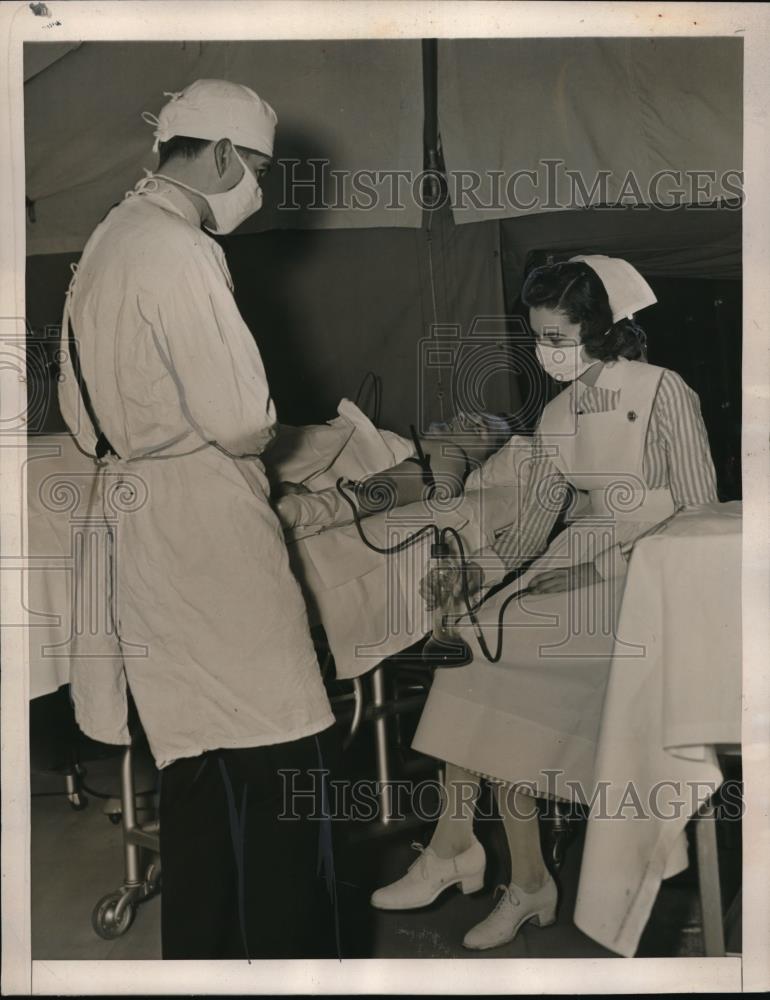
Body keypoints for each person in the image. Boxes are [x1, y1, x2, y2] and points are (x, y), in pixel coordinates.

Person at [58, 80, 342, 960]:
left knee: (193, 777)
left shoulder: (105, 239)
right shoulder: (180, 248)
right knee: (288, 769)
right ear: (220, 155)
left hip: (135, 515)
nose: (254, 188)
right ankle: (295, 973)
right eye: (255, 169)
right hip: (204, 521)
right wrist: (265, 437)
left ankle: (201, 967)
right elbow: (241, 418)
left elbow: (77, 412)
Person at [369, 255, 719, 950]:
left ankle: (479, 861)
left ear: (601, 328)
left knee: (497, 653)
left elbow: (700, 511)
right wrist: (475, 574)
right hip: (578, 563)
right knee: (477, 633)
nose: (546, 352)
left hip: (653, 577)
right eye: (537, 337)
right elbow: (532, 526)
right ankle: (482, 857)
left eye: (558, 337)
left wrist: (599, 572)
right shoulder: (560, 412)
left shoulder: (661, 392)